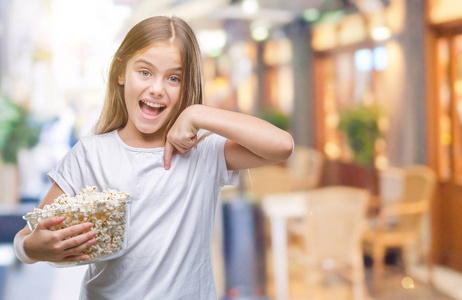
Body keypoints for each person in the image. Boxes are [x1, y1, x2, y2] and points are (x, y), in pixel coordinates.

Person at [14, 16, 293, 299]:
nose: (157, 88)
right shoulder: (90, 153)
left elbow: (282, 145)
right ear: (121, 72)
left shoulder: (202, 150)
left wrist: (197, 114)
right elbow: (27, 236)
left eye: (174, 78)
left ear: (186, 86)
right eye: (145, 72)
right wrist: (30, 249)